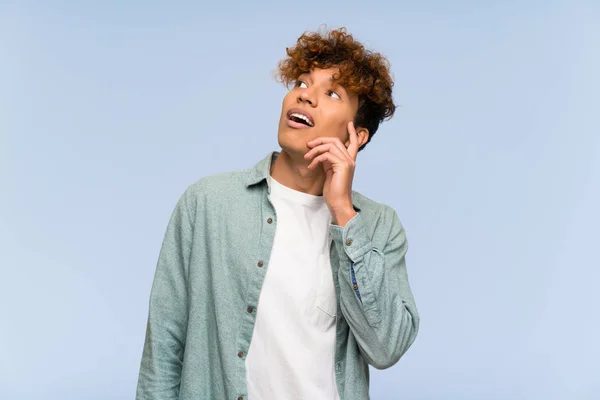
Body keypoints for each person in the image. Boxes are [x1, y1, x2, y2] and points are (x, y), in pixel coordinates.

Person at [136, 27, 419, 400]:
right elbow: (164, 348)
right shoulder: (206, 204)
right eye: (302, 82)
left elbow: (387, 348)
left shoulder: (378, 226)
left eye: (331, 93)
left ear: (357, 136)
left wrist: (343, 213)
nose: (306, 96)